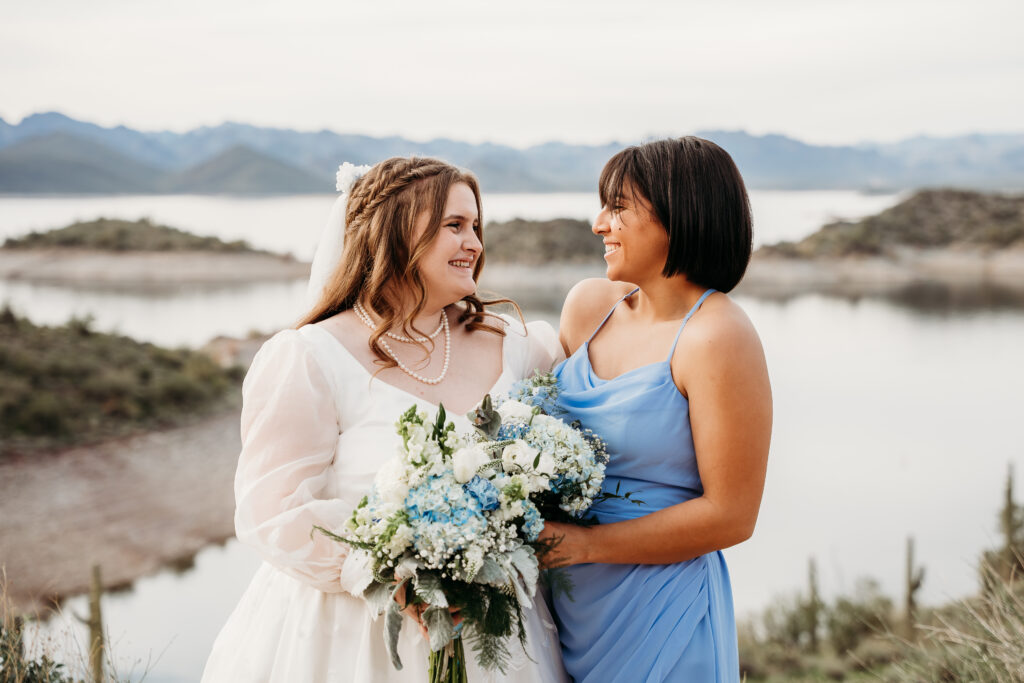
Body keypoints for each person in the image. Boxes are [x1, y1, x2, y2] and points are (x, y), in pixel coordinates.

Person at [202, 157, 568, 682]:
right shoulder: (310, 358)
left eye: (476, 227)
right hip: (355, 642)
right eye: (454, 226)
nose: (474, 244)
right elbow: (271, 513)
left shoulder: (517, 345)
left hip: (499, 639)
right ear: (396, 232)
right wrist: (392, 570)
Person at [538, 137, 772, 682]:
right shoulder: (590, 306)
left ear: (679, 215)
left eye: (618, 207)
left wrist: (588, 546)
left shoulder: (718, 336)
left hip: (659, 607)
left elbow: (731, 515)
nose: (600, 224)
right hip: (567, 607)